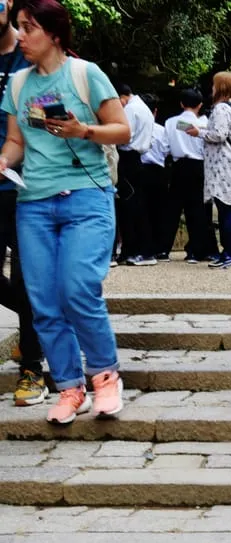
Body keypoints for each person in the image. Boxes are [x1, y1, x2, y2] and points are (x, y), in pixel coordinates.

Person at [0, 0, 130, 423]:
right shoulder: (18, 84)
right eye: (19, 26)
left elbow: (122, 130)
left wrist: (83, 130)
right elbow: (17, 142)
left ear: (54, 33)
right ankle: (70, 388)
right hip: (33, 203)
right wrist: (4, 159)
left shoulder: (84, 73)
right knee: (43, 302)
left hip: (86, 199)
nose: (21, 35)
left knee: (78, 288)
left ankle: (105, 377)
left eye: (29, 27)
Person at [0, 0, 43, 406]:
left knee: (26, 280)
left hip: (26, 187)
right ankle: (49, 321)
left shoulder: (30, 56)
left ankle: (32, 366)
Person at [188, 71, 231, 269]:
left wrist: (199, 132)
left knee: (226, 211)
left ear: (221, 87)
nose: (212, 88)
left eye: (215, 84)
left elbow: (219, 135)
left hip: (224, 167)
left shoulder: (221, 109)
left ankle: (230, 253)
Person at [163, 88, 216, 264]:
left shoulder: (171, 122)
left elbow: (165, 147)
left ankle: (163, 249)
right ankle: (196, 250)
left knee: (172, 208)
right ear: (200, 105)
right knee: (197, 209)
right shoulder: (205, 123)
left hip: (178, 165)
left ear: (181, 103)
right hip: (197, 165)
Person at [114, 83, 155, 264]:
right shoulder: (143, 108)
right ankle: (140, 249)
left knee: (129, 207)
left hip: (128, 156)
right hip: (137, 158)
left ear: (122, 96)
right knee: (138, 205)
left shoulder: (130, 109)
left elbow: (124, 135)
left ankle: (134, 249)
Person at [138, 92, 172, 260]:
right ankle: (160, 247)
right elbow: (167, 150)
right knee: (159, 210)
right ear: (155, 111)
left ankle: (144, 247)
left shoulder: (135, 128)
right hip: (158, 170)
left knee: (141, 209)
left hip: (140, 168)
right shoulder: (162, 129)